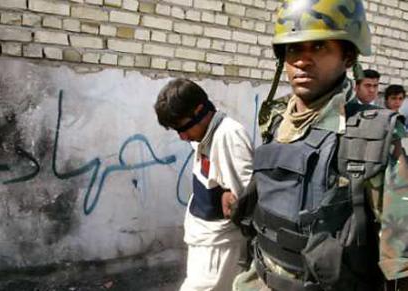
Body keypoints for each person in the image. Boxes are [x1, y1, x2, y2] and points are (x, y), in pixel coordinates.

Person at [232, 0, 408, 290]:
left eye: (318, 47)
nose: (302, 60)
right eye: (293, 48)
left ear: (348, 56)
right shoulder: (277, 122)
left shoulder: (374, 136)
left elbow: (400, 261)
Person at [154, 78, 253, 291]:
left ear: (200, 111)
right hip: (203, 241)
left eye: (183, 128)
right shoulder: (205, 134)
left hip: (220, 246)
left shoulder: (229, 134)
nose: (182, 137)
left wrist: (230, 196)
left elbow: (247, 198)